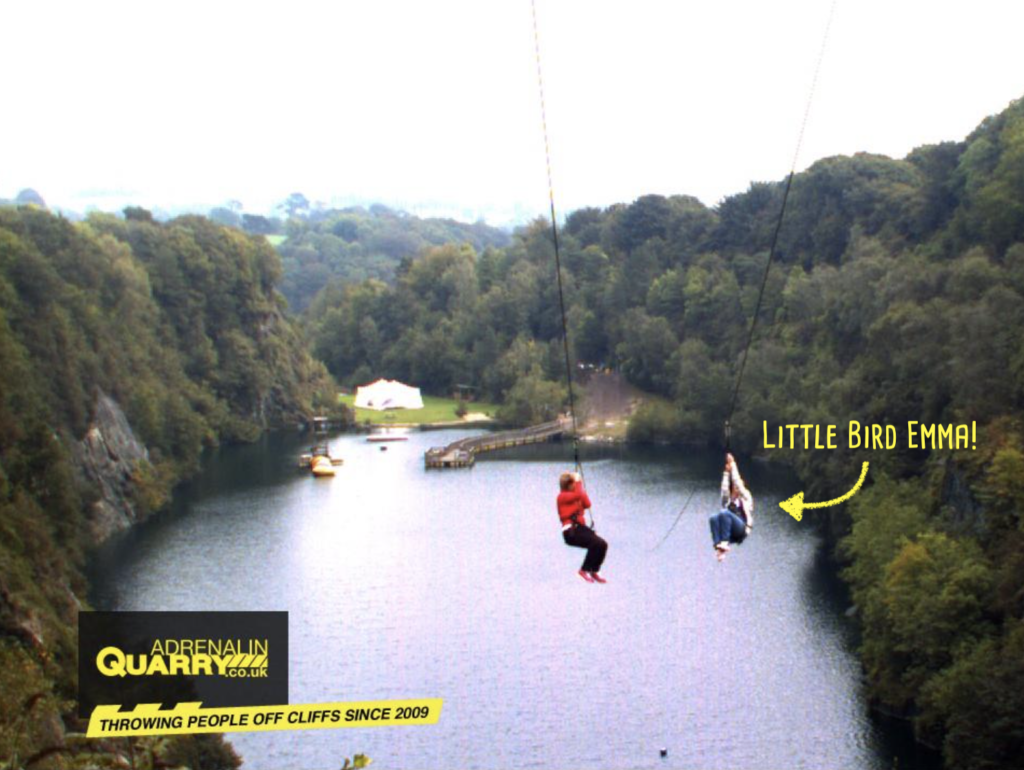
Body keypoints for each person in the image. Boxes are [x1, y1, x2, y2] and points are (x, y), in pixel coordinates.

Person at [557, 471, 608, 583]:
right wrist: (578, 481)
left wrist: (579, 487)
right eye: (573, 483)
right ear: (569, 485)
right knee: (595, 543)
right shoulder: (562, 497)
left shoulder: (575, 495)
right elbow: (578, 495)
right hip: (571, 532)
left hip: (580, 529)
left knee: (602, 544)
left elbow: (587, 504)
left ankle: (594, 570)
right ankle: (583, 570)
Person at [709, 452, 753, 562]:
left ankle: (724, 542)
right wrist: (726, 472)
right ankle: (718, 547)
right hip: (731, 533)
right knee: (713, 518)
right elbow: (724, 490)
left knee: (724, 513)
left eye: (740, 487)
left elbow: (738, 482)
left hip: (742, 530)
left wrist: (733, 464)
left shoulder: (746, 498)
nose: (738, 489)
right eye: (736, 488)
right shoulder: (728, 501)